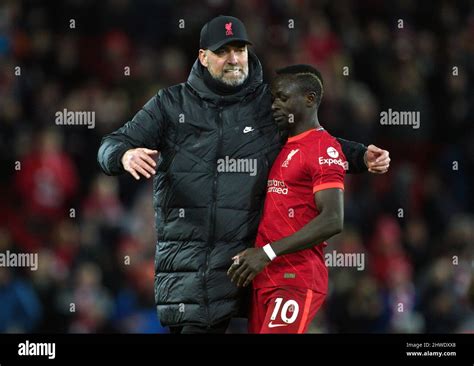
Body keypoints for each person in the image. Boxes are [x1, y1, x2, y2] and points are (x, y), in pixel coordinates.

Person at [97, 15, 390, 334]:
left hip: (253, 268)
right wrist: (124, 155)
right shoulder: (170, 105)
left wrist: (360, 155)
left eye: (240, 50)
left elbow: (314, 142)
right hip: (193, 273)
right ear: (203, 57)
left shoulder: (271, 105)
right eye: (223, 52)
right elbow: (111, 144)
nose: (234, 59)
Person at [228, 64, 346, 333]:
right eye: (273, 99)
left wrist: (267, 252)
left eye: (282, 98)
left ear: (309, 99)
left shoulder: (323, 147)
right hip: (265, 277)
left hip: (295, 277)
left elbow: (333, 219)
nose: (274, 106)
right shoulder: (285, 146)